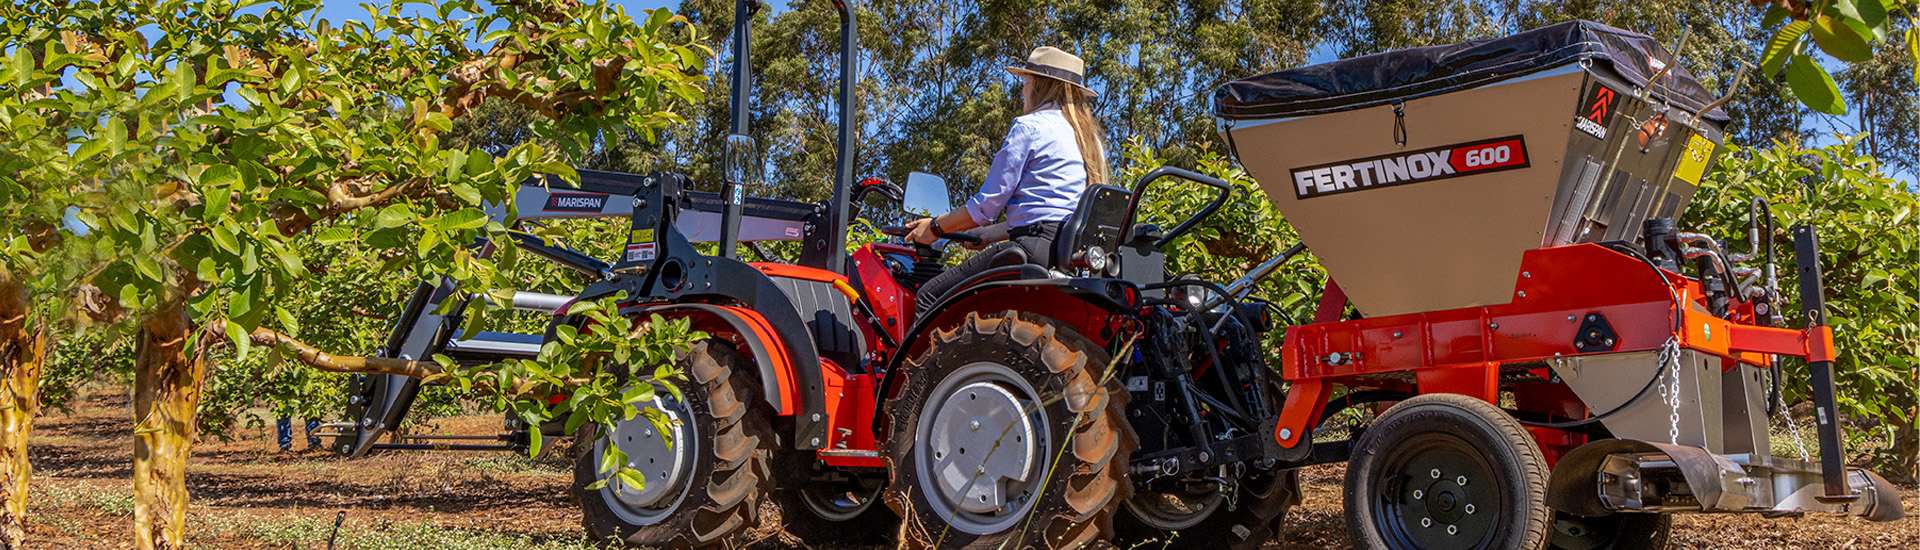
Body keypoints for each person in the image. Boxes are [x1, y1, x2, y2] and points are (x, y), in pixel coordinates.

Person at [906, 46, 1107, 317]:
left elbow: (985, 206)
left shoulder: (1030, 127)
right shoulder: (1090, 141)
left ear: (1040, 86)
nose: (1023, 90)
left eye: (1026, 82)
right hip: (1068, 253)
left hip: (1033, 250)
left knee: (930, 296)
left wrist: (935, 228)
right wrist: (989, 234)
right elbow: (1052, 216)